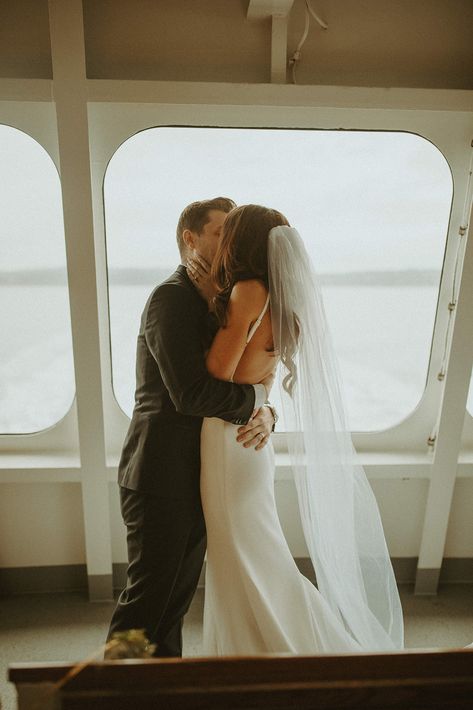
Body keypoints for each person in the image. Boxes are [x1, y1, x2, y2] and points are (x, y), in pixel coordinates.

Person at [187, 204, 405, 654]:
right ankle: (255, 655)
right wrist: (265, 411)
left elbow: (216, 374)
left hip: (229, 442)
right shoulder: (282, 298)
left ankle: (278, 655)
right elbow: (264, 379)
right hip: (253, 440)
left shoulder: (247, 291)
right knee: (255, 555)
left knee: (241, 558)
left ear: (239, 242)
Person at [106, 198, 276, 658]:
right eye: (222, 232)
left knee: (174, 604)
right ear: (190, 238)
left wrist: (268, 413)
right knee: (146, 601)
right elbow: (192, 395)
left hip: (199, 473)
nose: (231, 242)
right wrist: (257, 400)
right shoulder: (172, 297)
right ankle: (110, 690)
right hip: (159, 473)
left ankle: (161, 687)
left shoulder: (218, 300)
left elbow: (242, 372)